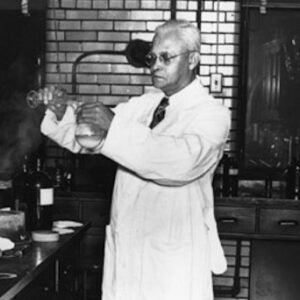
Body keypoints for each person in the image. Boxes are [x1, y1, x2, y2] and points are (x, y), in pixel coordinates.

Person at [41, 20, 230, 300]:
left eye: (167, 57)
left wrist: (114, 126)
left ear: (193, 59)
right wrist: (60, 113)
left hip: (173, 255)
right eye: (152, 57)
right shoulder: (143, 106)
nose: (155, 64)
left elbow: (179, 162)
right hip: (129, 246)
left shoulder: (212, 114)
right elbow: (89, 139)